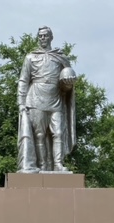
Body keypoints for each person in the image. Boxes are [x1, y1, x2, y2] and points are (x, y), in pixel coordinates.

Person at [17, 25, 77, 173]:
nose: (42, 38)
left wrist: (68, 86)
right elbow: (23, 80)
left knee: (58, 133)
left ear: (51, 37)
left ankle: (58, 164)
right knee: (39, 135)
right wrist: (21, 102)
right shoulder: (30, 57)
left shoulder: (59, 57)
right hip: (35, 98)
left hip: (55, 100)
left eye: (45, 35)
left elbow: (66, 84)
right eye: (40, 36)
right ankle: (43, 166)